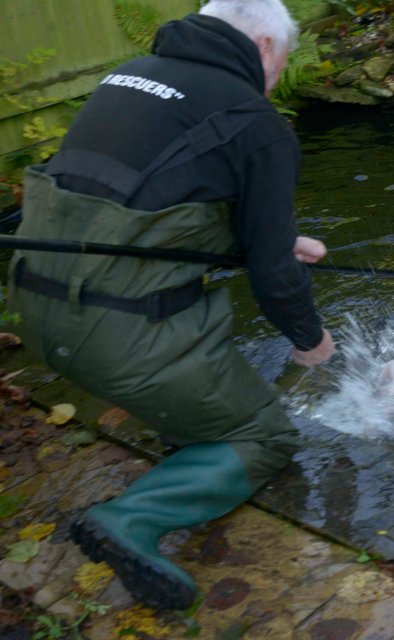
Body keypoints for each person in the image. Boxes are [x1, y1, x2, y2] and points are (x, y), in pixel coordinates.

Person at [8, 0, 335, 609]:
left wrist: (280, 238)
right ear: (265, 46)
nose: (277, 76)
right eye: (281, 61)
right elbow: (271, 277)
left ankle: (188, 437)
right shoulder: (255, 121)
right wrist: (311, 341)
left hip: (34, 306)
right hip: (114, 336)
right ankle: (130, 519)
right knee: (263, 434)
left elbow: (152, 200)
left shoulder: (128, 74)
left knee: (193, 371)